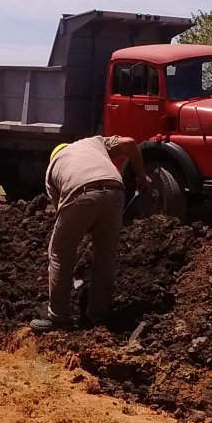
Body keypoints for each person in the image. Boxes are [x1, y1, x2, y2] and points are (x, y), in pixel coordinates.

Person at [30, 136, 152, 332]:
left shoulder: (52, 168)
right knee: (105, 255)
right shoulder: (94, 143)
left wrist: (83, 225)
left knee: (60, 253)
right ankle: (97, 317)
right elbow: (130, 142)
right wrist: (141, 177)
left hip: (80, 193)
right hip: (115, 192)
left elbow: (62, 211)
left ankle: (59, 317)